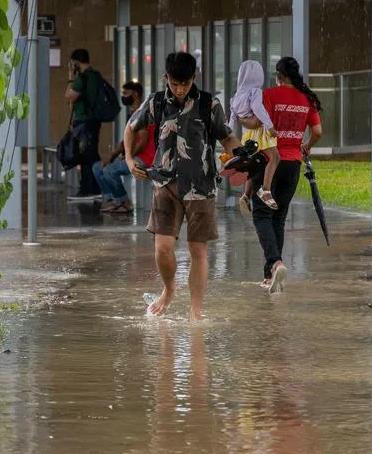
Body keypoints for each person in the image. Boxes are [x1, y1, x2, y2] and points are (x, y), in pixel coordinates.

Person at [125, 51, 241, 321]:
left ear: (194, 78)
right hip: (165, 184)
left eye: (185, 84)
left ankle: (196, 309)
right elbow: (131, 128)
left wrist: (243, 157)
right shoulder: (156, 102)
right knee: (162, 248)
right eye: (174, 83)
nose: (179, 89)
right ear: (166, 78)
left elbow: (227, 138)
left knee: (198, 250)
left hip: (201, 188)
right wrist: (130, 159)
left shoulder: (208, 104)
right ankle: (168, 289)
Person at [241, 56, 323, 293]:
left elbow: (256, 123)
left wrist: (240, 119)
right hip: (292, 164)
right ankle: (270, 277)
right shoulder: (306, 98)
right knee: (278, 217)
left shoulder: (269, 95)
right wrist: (305, 146)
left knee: (262, 215)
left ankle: (275, 263)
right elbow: (317, 131)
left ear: (279, 75)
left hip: (268, 162)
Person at [92, 80, 155, 213]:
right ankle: (113, 200)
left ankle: (123, 203)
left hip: (145, 158)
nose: (123, 96)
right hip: (135, 155)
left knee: (110, 171)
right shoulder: (133, 113)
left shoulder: (142, 113)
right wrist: (113, 155)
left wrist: (128, 157)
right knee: (98, 167)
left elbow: (142, 141)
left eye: (126, 93)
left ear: (136, 94)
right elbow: (127, 140)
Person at [229, 60, 281, 211]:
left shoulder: (236, 96)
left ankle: (246, 195)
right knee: (274, 157)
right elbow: (257, 108)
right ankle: (265, 190)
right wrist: (270, 126)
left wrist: (228, 138)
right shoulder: (255, 92)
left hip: (247, 135)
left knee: (253, 165)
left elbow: (231, 121)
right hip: (259, 133)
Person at [63, 48, 103, 201]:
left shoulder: (82, 79)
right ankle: (96, 187)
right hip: (94, 121)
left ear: (76, 63)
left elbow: (68, 97)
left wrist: (70, 76)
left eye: (72, 64)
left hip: (83, 121)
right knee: (91, 154)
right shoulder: (95, 76)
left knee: (85, 155)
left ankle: (87, 189)